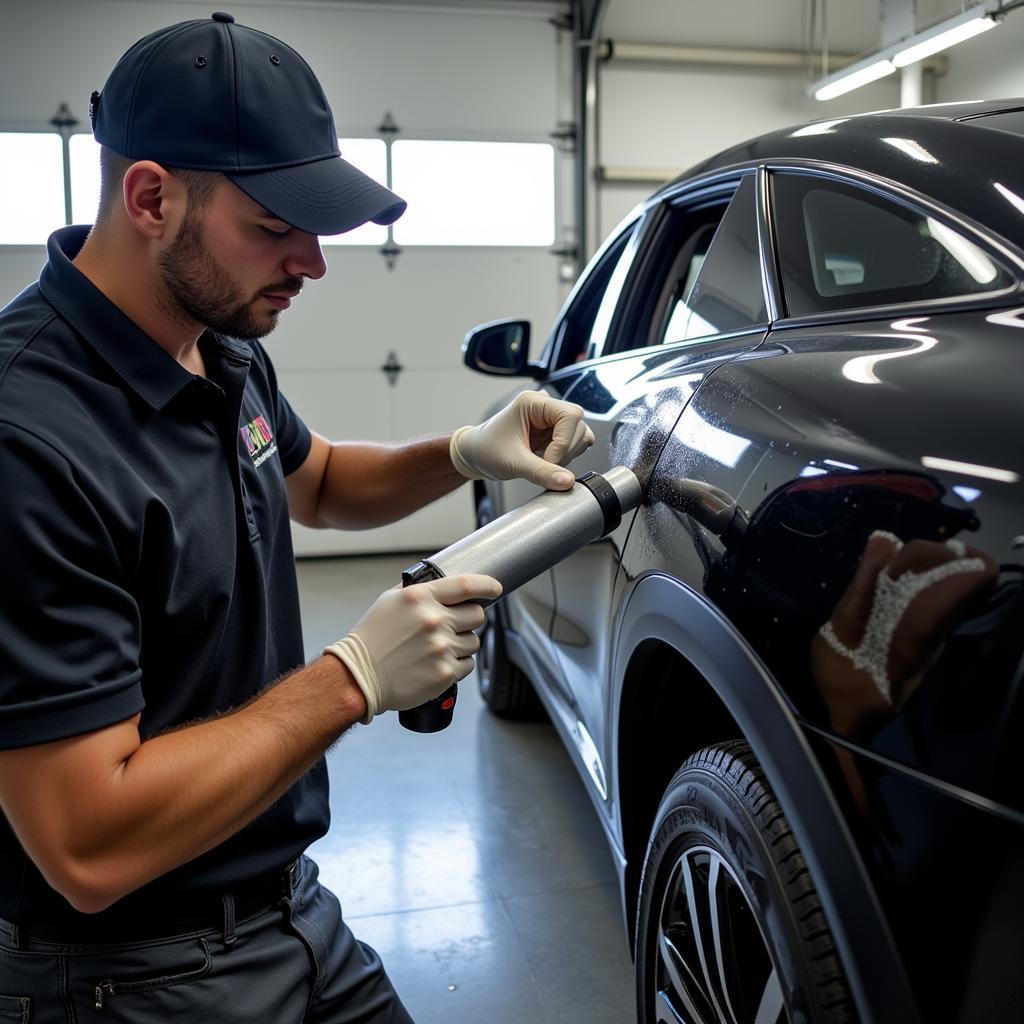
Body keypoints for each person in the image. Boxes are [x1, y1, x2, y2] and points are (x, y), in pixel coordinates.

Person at [0, 12, 593, 1022]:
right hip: (128, 977)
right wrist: (350, 680)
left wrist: (460, 450)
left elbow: (313, 481)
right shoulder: (28, 439)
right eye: (275, 227)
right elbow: (87, 842)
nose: (312, 263)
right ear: (150, 197)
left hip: (290, 910)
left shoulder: (217, 344)